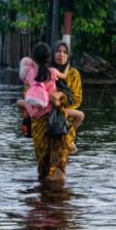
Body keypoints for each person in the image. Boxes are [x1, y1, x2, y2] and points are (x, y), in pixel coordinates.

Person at [30, 40, 83, 183]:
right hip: (41, 123)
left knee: (60, 165)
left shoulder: (72, 74)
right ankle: (44, 200)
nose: (61, 54)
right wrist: (48, 99)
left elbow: (76, 100)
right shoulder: (43, 71)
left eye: (65, 52)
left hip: (61, 122)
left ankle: (59, 201)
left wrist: (61, 97)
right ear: (51, 54)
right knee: (43, 167)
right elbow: (30, 95)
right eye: (58, 51)